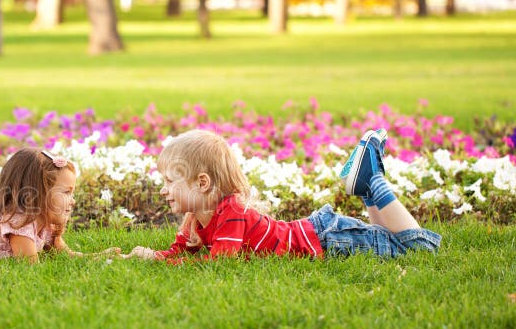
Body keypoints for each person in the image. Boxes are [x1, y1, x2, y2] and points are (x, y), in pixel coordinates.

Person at [122, 129, 441, 262]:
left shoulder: (231, 210)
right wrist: (151, 256)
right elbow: (181, 252)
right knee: (390, 238)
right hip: (323, 232)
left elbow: (220, 262)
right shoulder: (196, 216)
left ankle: (373, 181)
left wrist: (164, 264)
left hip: (328, 240)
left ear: (202, 183)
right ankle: (368, 190)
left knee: (418, 248)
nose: (163, 189)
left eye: (169, 180)